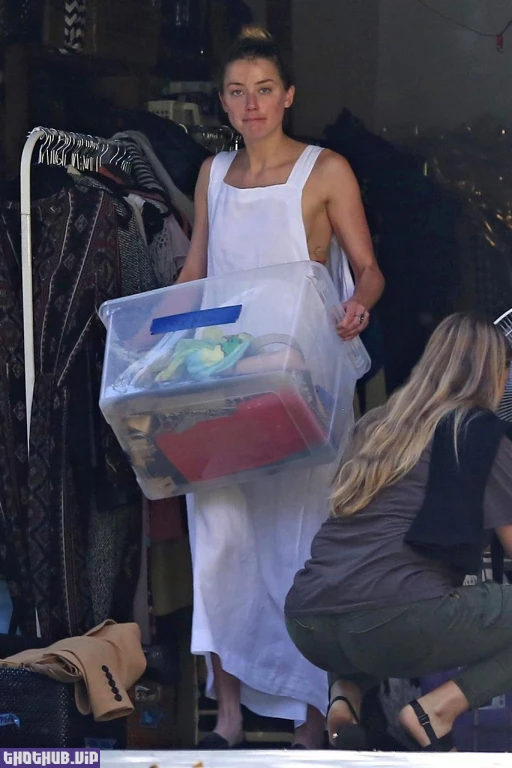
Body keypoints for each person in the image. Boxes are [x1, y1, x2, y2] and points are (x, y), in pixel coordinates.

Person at [176, 25, 384, 749]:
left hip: (305, 381)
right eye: (237, 92)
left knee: (302, 540)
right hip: (222, 381)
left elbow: (368, 269)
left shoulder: (326, 170)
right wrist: (156, 339)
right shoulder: (212, 175)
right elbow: (196, 269)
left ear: (288, 95)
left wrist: (359, 305)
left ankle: (310, 718)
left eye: (264, 89)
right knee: (219, 539)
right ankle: (229, 715)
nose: (251, 104)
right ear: (223, 102)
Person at [285, 313, 512, 752]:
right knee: (387, 608)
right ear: (493, 374)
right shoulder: (481, 433)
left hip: (308, 621)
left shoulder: (377, 425)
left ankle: (345, 697)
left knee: (368, 592)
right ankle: (435, 712)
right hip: (390, 622)